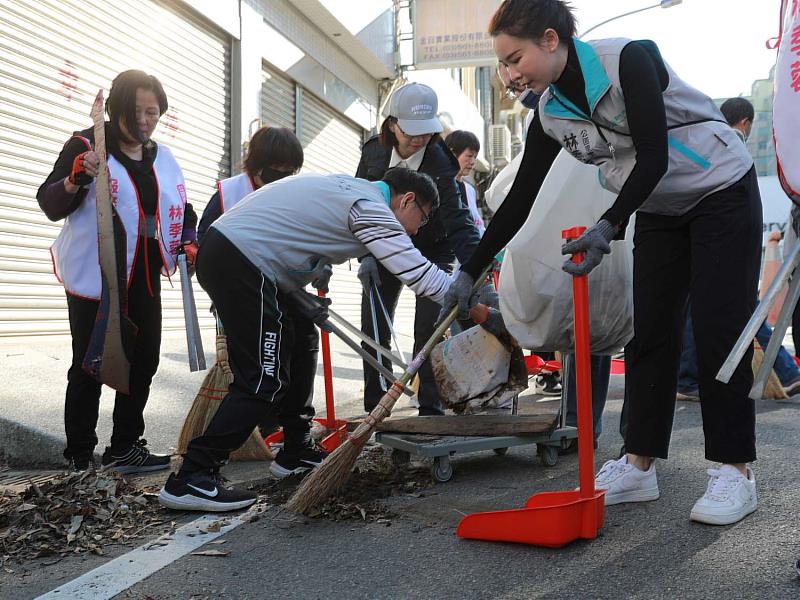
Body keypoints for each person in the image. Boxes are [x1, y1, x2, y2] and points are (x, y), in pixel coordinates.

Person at [443, 0, 761, 526]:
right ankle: (638, 464)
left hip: (720, 191)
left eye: (514, 57)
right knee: (650, 332)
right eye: (502, 63)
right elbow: (521, 197)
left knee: (715, 328)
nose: (509, 73)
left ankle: (736, 470)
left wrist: (607, 226)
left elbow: (654, 156)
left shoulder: (627, 59)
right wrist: (469, 270)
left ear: (550, 40)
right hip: (658, 206)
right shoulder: (549, 113)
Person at [158, 168, 454, 511]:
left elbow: (285, 238)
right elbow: (421, 275)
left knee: (302, 338)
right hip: (240, 259)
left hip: (238, 254)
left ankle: (295, 450)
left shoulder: (350, 188)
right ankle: (192, 476)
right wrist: (481, 306)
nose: (417, 230)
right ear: (407, 200)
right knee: (263, 379)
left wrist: (298, 296)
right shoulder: (369, 206)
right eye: (423, 218)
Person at [37, 70, 197, 473]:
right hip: (99, 272)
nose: (144, 121)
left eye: (153, 113)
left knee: (145, 359)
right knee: (90, 363)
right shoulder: (88, 146)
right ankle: (79, 456)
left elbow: (184, 209)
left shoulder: (162, 156)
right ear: (114, 110)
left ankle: (125, 446)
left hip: (144, 270)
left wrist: (190, 240)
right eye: (136, 111)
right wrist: (76, 178)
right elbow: (50, 202)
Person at [356, 83, 481, 416]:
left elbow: (458, 221)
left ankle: (430, 406)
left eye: (425, 133)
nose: (419, 140)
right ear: (392, 124)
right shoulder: (373, 152)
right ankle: (376, 408)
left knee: (429, 328)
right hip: (383, 247)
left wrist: (477, 267)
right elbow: (356, 202)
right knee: (374, 326)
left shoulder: (441, 161)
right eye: (411, 132)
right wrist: (365, 254)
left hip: (433, 249)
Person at [197, 125, 304, 243]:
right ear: (257, 166)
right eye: (275, 172)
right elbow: (204, 240)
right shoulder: (228, 195)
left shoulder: (295, 201)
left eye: (288, 173)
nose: (280, 180)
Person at [444, 129, 485, 235]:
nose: (473, 162)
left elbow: (478, 225)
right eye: (469, 156)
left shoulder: (470, 190)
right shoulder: (439, 186)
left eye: (475, 157)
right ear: (452, 153)